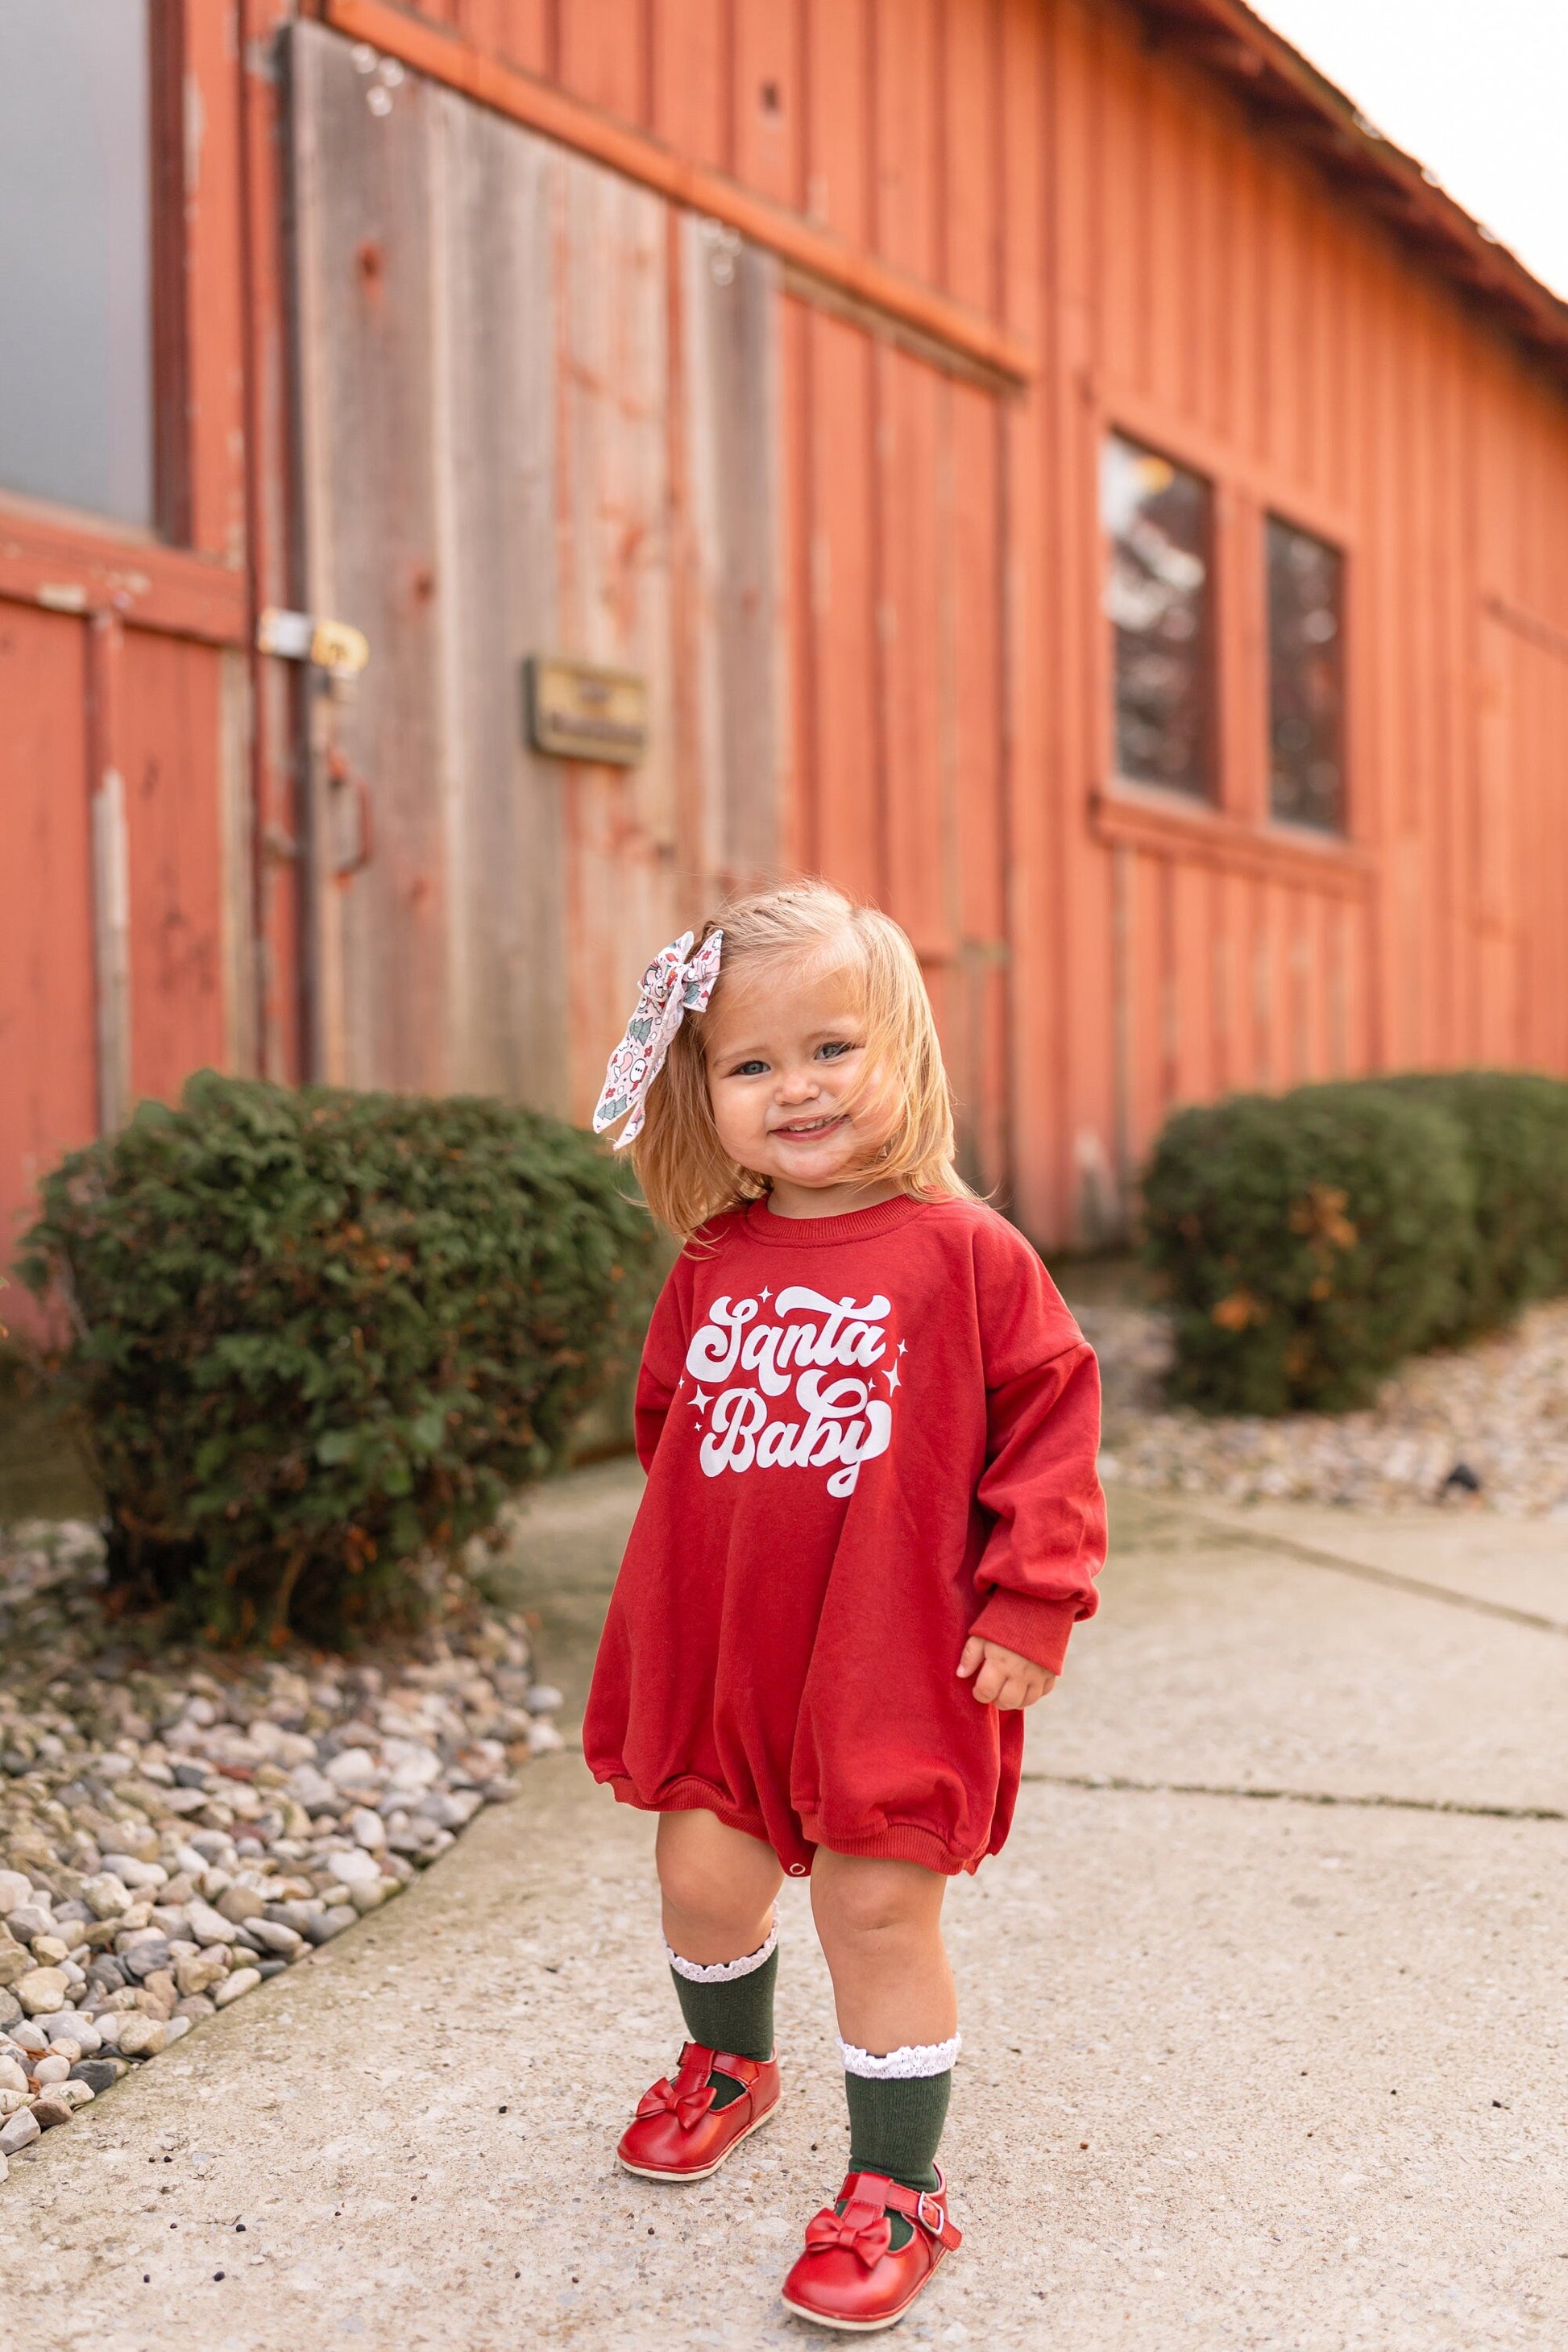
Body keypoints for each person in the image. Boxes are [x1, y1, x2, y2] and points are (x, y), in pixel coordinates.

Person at [583, 881, 1105, 2332]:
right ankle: (730, 2065)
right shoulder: (712, 1263)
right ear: (701, 1091)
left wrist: (1032, 1600)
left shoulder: (966, 1253)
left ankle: (896, 2185)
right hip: (731, 1653)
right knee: (700, 1876)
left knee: (874, 1911)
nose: (796, 1088)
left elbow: (1051, 1428)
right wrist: (705, 1572)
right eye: (750, 1064)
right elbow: (669, 1428)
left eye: (830, 1049)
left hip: (896, 1652)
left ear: (900, 1052)